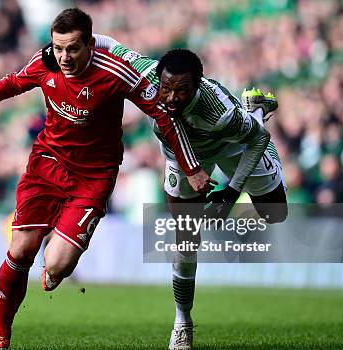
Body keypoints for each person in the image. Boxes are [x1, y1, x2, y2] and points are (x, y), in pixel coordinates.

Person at [0, 8, 215, 350]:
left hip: (93, 178)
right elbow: (15, 81)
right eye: (58, 48)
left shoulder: (116, 72)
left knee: (57, 266)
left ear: (90, 44)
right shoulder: (46, 63)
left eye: (72, 48)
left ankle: (55, 266)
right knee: (21, 249)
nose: (64, 57)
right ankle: (0, 334)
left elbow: (162, 114)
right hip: (46, 166)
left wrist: (190, 168)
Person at [94, 34, 288, 350]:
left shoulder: (220, 113)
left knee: (275, 213)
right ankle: (182, 321)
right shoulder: (148, 73)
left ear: (196, 87)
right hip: (183, 159)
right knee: (185, 238)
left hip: (231, 144)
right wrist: (63, 47)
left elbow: (258, 139)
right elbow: (107, 43)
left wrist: (231, 191)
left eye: (181, 91)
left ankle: (254, 109)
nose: (170, 98)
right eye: (166, 88)